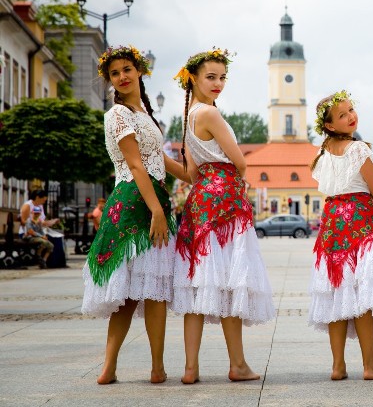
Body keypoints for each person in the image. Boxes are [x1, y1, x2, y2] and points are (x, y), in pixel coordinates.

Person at [82, 45, 189, 385]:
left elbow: (162, 161)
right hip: (132, 201)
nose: (122, 76)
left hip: (154, 196)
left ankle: (157, 367)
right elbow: (134, 164)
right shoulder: (117, 115)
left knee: (153, 290)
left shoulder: (144, 115)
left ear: (139, 71)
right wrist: (157, 210)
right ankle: (109, 366)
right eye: (115, 73)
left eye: (127, 69)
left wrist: (205, 175)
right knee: (128, 295)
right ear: (110, 80)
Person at [171, 49, 275, 384]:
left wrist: (156, 162)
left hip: (200, 200)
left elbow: (189, 173)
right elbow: (239, 161)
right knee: (231, 280)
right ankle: (238, 364)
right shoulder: (210, 115)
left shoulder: (188, 115)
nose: (218, 83)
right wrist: (238, 174)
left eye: (222, 77)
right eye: (210, 77)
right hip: (225, 200)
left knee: (199, 282)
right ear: (194, 79)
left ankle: (190, 367)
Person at [309, 90, 373, 381]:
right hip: (360, 224)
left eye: (351, 110)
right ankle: (369, 366)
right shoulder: (359, 150)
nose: (351, 116)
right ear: (331, 125)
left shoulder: (322, 155)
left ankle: (337, 366)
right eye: (343, 115)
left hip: (333, 225)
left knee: (338, 292)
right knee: (362, 294)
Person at [23, 203, 54, 268]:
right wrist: (41, 236)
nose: (36, 215)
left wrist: (44, 235)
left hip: (38, 237)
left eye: (38, 213)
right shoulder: (29, 221)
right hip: (30, 238)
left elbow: (41, 231)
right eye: (35, 213)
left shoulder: (39, 221)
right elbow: (31, 232)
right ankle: (38, 255)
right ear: (32, 213)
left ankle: (44, 260)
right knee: (44, 242)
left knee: (51, 245)